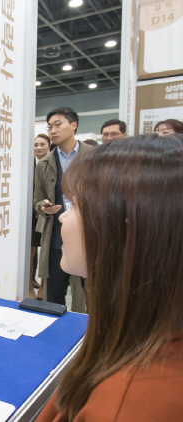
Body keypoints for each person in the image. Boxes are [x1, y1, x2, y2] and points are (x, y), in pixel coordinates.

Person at [36, 134, 183, 422]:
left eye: (76, 205)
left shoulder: (130, 403)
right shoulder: (137, 332)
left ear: (126, 225)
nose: (65, 217)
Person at [34, 107, 92, 309]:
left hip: (89, 236)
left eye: (58, 125)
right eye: (49, 127)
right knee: (54, 295)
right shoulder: (44, 163)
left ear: (73, 125)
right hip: (56, 237)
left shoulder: (94, 156)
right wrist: (44, 207)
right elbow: (37, 200)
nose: (52, 131)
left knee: (92, 294)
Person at [30, 134, 52, 299]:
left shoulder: (54, 164)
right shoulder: (28, 165)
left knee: (46, 252)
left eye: (42, 144)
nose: (38, 147)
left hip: (48, 214)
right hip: (30, 216)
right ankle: (29, 287)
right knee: (30, 253)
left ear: (49, 146)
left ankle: (44, 287)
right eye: (36, 144)